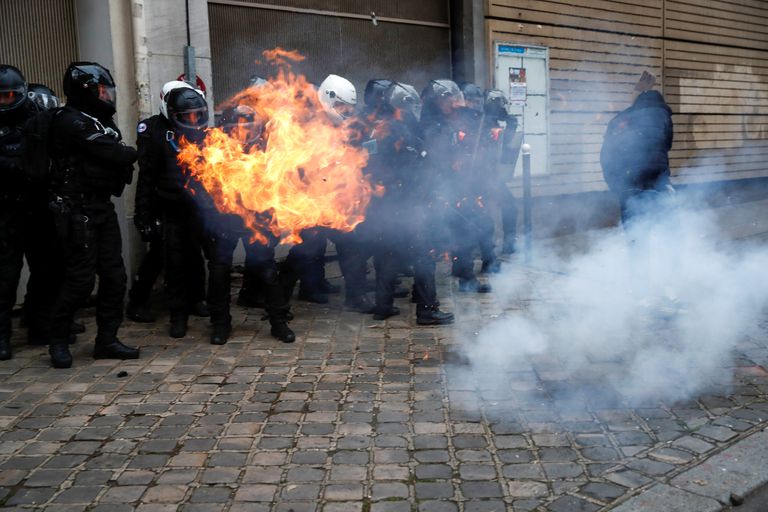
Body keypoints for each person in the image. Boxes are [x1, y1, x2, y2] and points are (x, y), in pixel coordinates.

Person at [47, 62, 139, 368]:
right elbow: (116, 153)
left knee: (115, 276)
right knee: (80, 280)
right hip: (76, 209)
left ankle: (107, 341)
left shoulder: (101, 121)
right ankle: (58, 342)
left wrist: (122, 152)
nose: (106, 96)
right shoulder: (70, 121)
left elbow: (116, 152)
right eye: (101, 90)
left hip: (101, 207)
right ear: (84, 91)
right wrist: (125, 152)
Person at [135, 82, 222, 340]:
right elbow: (147, 178)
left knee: (206, 260)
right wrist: (144, 216)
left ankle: (201, 301)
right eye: (188, 116)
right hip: (172, 210)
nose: (193, 120)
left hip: (203, 210)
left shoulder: (207, 136)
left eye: (198, 115)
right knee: (174, 263)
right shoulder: (158, 134)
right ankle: (177, 316)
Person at [370, 81, 454, 324]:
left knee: (387, 254)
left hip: (386, 205)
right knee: (424, 255)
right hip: (406, 203)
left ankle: (382, 306)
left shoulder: (380, 127)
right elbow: (411, 170)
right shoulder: (400, 132)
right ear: (403, 106)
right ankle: (427, 310)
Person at [217, 103, 295, 343]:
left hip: (257, 215)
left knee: (268, 269)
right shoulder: (218, 148)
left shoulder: (266, 148)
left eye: (251, 127)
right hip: (226, 217)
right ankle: (220, 324)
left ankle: (278, 322)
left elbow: (275, 184)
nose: (246, 131)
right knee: (219, 269)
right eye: (241, 126)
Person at [421, 79, 492, 294]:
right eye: (449, 101)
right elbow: (437, 154)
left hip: (458, 186)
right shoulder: (431, 124)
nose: (454, 104)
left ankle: (466, 277)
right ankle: (422, 293)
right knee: (430, 240)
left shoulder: (450, 119)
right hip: (437, 187)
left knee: (464, 231)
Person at [600, 84, 674, 225]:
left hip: (628, 178)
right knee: (662, 219)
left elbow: (607, 153)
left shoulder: (618, 120)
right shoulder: (662, 114)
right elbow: (667, 145)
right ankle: (663, 243)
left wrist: (615, 184)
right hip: (658, 178)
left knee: (631, 219)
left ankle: (634, 244)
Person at [0, 65, 34, 360]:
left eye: (11, 96)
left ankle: (39, 324)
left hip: (35, 206)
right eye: (1, 97)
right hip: (5, 210)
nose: (6, 102)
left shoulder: (36, 116)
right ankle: (2, 336)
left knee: (47, 269)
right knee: (5, 276)